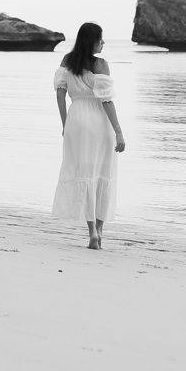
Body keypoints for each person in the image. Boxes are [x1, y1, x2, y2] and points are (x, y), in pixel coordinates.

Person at [52, 21, 125, 249]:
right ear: (91, 41)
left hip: (76, 119)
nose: (103, 43)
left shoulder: (67, 61)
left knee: (85, 173)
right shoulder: (101, 64)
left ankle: (92, 230)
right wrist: (119, 132)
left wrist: (65, 124)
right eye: (100, 39)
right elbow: (106, 100)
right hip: (98, 122)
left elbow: (60, 95)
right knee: (103, 172)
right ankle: (100, 231)